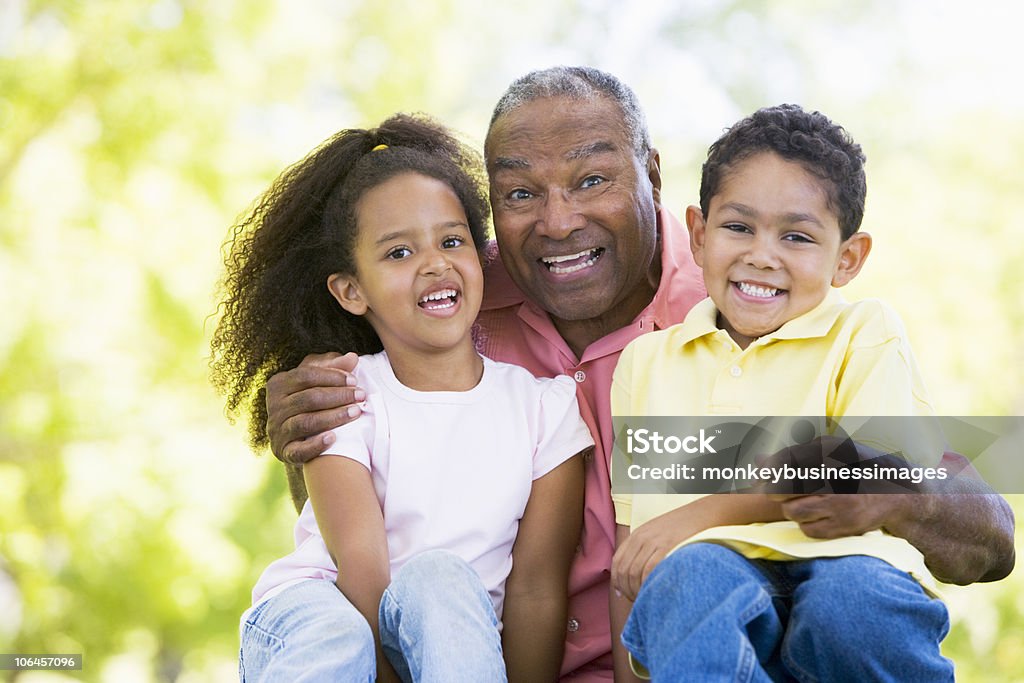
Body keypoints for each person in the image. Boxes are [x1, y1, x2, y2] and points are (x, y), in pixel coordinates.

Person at [258, 67, 1015, 681]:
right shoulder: (450, 302)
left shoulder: (751, 305)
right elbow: (350, 502)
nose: (557, 221)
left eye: (592, 180)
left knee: (823, 600)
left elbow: (974, 516)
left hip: (778, 644)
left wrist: (900, 488)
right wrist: (306, 411)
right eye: (520, 194)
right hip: (492, 655)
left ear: (652, 175)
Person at [210, 113, 593, 682]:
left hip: (451, 637)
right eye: (398, 253)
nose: (434, 262)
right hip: (323, 610)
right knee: (337, 631)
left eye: (451, 240)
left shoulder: (545, 409)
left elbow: (536, 591)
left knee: (440, 580)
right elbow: (360, 569)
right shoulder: (339, 393)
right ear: (351, 290)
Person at [610, 104, 959, 681]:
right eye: (738, 227)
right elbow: (638, 550)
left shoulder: (864, 332)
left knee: (848, 600)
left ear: (847, 258)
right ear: (698, 234)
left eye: (796, 236)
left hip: (848, 566)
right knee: (693, 575)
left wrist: (708, 511)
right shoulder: (647, 362)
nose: (761, 255)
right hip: (710, 588)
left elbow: (863, 470)